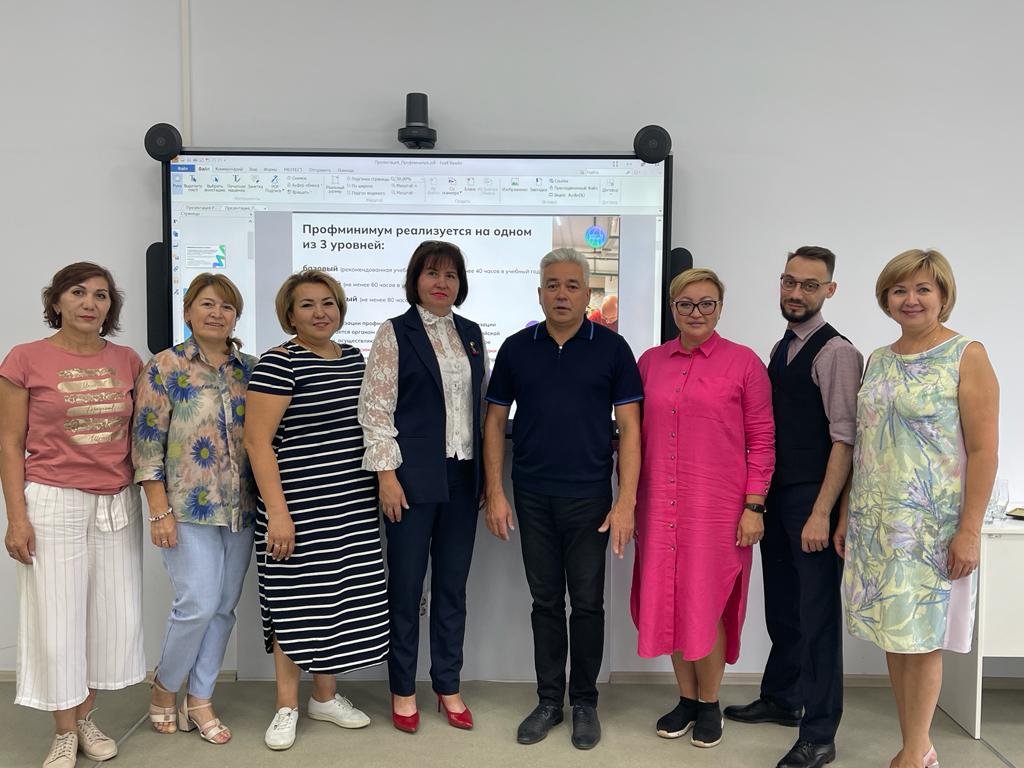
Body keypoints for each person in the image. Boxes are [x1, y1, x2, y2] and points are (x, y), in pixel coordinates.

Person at [836, 249, 998, 768]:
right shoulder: (879, 359)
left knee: (923, 638)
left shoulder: (966, 354)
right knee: (895, 634)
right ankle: (918, 744)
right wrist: (847, 513)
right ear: (885, 298)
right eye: (899, 290)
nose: (911, 299)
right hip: (876, 522)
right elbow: (864, 442)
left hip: (931, 526)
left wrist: (969, 530)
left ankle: (913, 751)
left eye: (923, 289)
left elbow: (984, 451)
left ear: (943, 296)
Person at [484, 247, 642, 750]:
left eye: (572, 285)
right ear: (539, 293)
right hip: (531, 495)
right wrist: (495, 492)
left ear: (587, 294)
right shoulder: (517, 348)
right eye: (552, 285)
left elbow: (631, 430)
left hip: (591, 498)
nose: (561, 294)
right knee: (546, 602)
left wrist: (626, 502)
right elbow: (494, 422)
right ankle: (550, 700)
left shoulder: (612, 348)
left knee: (588, 604)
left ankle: (585, 703)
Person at [0, 262, 143, 768]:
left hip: (116, 502)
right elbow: (10, 443)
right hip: (53, 500)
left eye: (101, 295)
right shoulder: (25, 359)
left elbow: (143, 436)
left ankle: (85, 718)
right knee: (57, 618)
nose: (90, 303)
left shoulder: (128, 360)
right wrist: (17, 518)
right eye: (78, 292)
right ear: (56, 300)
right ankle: (63, 731)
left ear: (110, 307)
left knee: (106, 618)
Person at [724, 247, 862, 768]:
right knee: (783, 605)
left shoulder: (837, 353)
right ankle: (783, 698)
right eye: (789, 281)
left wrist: (823, 513)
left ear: (830, 290)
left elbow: (845, 439)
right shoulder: (782, 346)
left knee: (817, 616)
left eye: (809, 285)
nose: (796, 293)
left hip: (811, 497)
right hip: (776, 496)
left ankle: (820, 733)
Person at [243, 269, 389, 751]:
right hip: (296, 508)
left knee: (335, 602)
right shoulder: (277, 363)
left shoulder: (354, 359)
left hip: (349, 506)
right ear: (289, 314)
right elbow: (257, 443)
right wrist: (277, 513)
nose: (320, 312)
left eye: (328, 303)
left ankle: (324, 698)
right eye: (307, 304)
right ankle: (286, 705)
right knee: (293, 604)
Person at [630, 267, 774, 750]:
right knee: (670, 601)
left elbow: (762, 440)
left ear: (720, 307)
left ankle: (709, 703)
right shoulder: (650, 362)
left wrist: (754, 506)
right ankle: (686, 699)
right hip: (659, 505)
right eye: (686, 303)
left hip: (718, 509)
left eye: (706, 303)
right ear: (672, 307)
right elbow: (632, 435)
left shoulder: (745, 363)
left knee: (705, 603)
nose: (696, 312)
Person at [358, 241, 488, 733]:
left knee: (453, 588)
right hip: (410, 480)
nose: (441, 282)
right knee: (407, 589)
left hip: (462, 477)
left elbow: (478, 407)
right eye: (432, 273)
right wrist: (386, 477)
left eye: (451, 275)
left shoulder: (471, 333)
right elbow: (375, 409)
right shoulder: (395, 331)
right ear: (415, 279)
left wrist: (484, 476)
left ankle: (447, 685)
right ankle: (403, 689)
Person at [132, 273, 258, 745]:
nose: (216, 314)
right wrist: (158, 510)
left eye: (227, 307)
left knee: (223, 608)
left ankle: (200, 698)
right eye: (207, 304)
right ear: (187, 312)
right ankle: (165, 686)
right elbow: (147, 442)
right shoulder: (164, 366)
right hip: (186, 509)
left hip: (241, 509)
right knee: (197, 605)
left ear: (236, 317)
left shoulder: (249, 369)